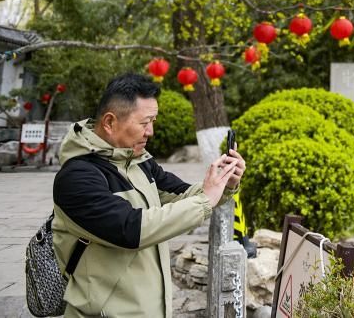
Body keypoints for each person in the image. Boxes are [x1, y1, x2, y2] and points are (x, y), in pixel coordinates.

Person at [53, 73, 245, 317]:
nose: (151, 131)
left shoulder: (139, 162)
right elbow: (131, 229)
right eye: (144, 123)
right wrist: (206, 199)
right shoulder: (77, 177)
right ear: (110, 122)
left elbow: (184, 195)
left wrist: (224, 184)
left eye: (153, 121)